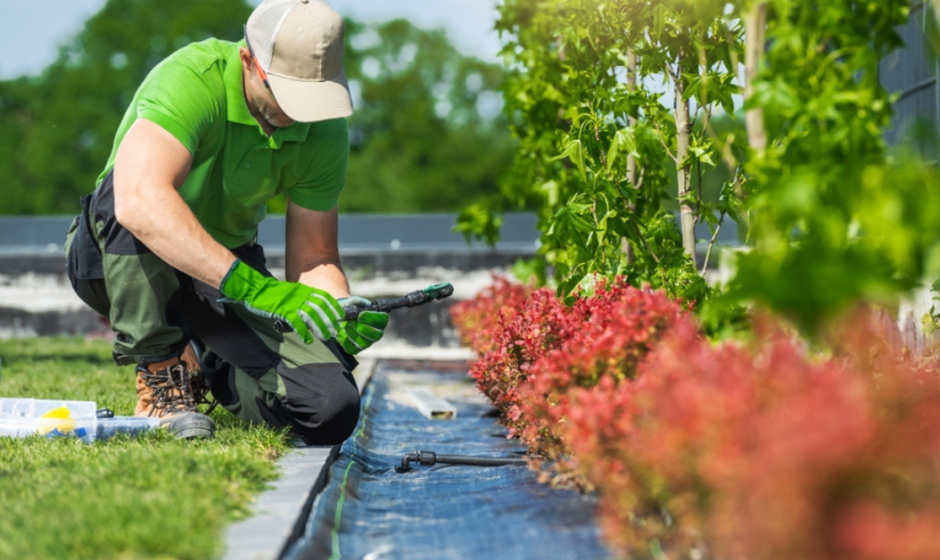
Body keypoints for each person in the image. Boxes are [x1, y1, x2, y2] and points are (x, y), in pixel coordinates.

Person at [63, 0, 387, 442]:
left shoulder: (325, 129)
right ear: (248, 60)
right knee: (133, 189)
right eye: (286, 94)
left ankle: (216, 368)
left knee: (332, 409)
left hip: (223, 265)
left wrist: (336, 311)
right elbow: (138, 200)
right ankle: (164, 377)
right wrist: (253, 289)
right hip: (116, 258)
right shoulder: (193, 80)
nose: (297, 115)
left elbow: (315, 254)